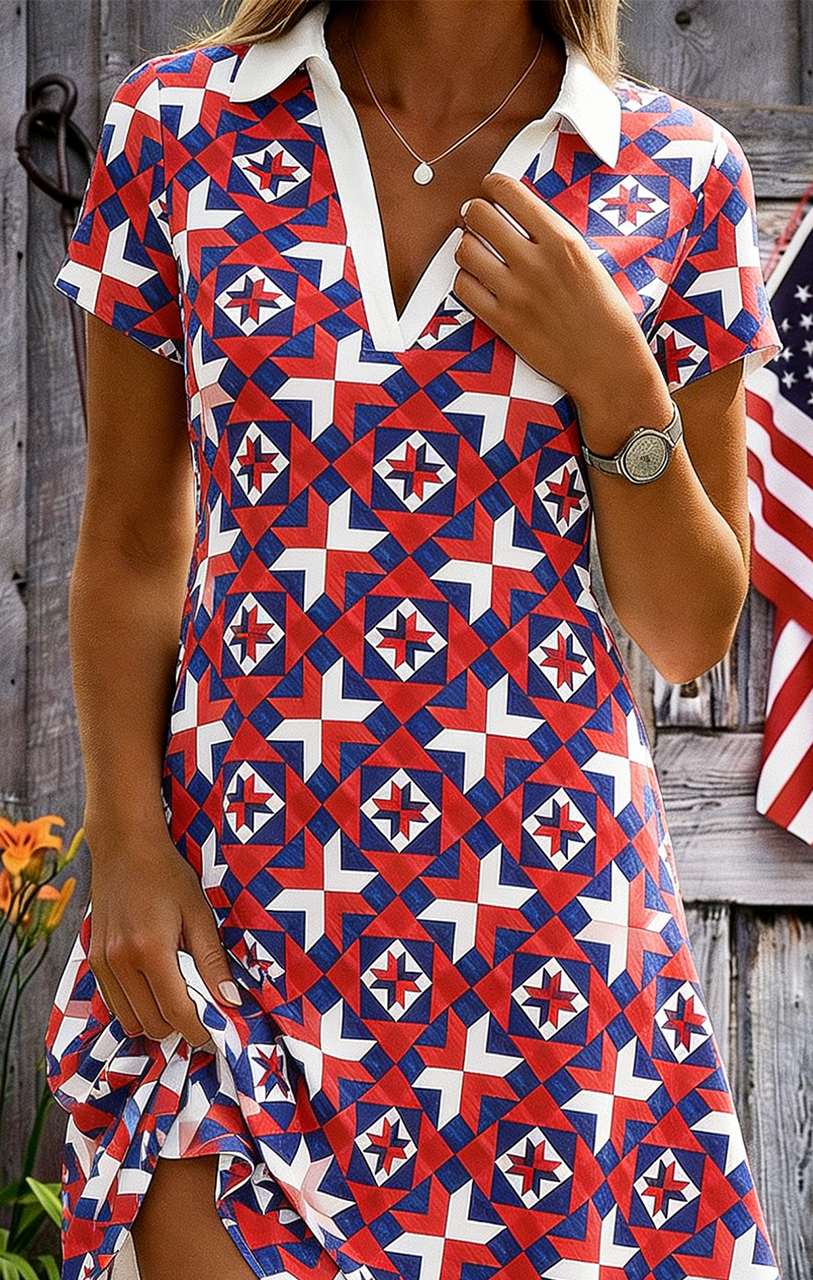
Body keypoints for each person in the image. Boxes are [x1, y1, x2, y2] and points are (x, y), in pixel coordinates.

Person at [45, 1, 785, 1278]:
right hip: (241, 920)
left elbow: (687, 632)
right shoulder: (179, 129)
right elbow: (126, 542)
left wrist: (616, 381)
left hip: (543, 948)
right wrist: (126, 842)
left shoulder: (674, 171)